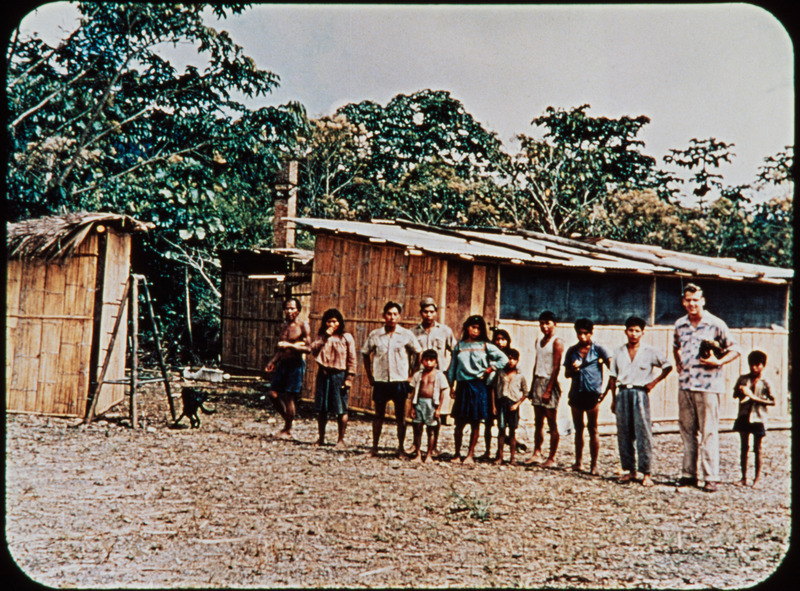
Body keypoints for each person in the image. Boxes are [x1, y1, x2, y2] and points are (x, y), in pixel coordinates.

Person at [673, 283, 740, 493]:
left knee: (708, 431)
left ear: (703, 301)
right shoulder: (680, 325)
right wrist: (679, 363)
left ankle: (711, 476)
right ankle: (688, 475)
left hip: (708, 385)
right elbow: (676, 346)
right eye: (688, 300)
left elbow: (736, 348)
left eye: (696, 300)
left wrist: (718, 362)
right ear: (683, 302)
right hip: (686, 383)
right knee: (687, 431)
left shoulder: (715, 324)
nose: (692, 304)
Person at [605, 316, 672, 487]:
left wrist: (654, 382)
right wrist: (613, 399)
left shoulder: (649, 351)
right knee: (624, 433)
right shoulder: (618, 351)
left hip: (640, 393)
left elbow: (667, 366)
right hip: (622, 393)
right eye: (630, 330)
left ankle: (646, 472)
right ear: (625, 331)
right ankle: (629, 470)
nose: (633, 334)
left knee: (643, 433)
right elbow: (612, 377)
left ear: (642, 332)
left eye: (637, 331)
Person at [362, 301, 422, 457]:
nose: (392, 317)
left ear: (399, 316)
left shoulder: (406, 335)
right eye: (389, 314)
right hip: (381, 381)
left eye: (395, 314)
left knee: (401, 416)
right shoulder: (375, 335)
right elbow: (365, 353)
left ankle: (400, 448)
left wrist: (411, 376)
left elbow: (418, 353)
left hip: (400, 381)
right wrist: (370, 375)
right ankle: (374, 447)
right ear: (384, 316)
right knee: (378, 415)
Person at [447, 315, 508, 464]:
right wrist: (451, 385)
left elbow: (503, 359)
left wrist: (489, 369)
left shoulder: (485, 346)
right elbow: (453, 367)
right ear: (467, 327)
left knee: (475, 421)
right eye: (473, 327)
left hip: (478, 386)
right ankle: (456, 453)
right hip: (462, 386)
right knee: (459, 423)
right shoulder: (459, 346)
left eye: (478, 328)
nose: (475, 331)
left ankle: (470, 454)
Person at [563, 318, 611, 475]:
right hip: (577, 392)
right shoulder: (572, 351)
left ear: (591, 333)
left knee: (593, 429)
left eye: (585, 334)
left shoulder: (598, 350)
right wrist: (572, 369)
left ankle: (594, 465)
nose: (582, 337)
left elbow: (614, 370)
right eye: (579, 333)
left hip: (592, 394)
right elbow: (566, 374)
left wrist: (606, 390)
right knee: (578, 429)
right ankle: (578, 463)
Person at [411, 296, 457, 457]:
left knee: (435, 414)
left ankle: (434, 445)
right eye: (425, 311)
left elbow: (455, 350)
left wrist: (449, 370)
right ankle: (414, 445)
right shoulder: (413, 332)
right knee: (417, 413)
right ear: (421, 312)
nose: (428, 315)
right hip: (421, 378)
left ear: (436, 312)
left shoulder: (445, 331)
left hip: (438, 377)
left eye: (431, 311)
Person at [309, 308, 357, 448]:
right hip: (323, 375)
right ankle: (321, 438)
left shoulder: (346, 337)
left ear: (339, 323)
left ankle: (340, 440)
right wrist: (324, 336)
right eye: (329, 321)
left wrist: (349, 377)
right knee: (322, 408)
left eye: (334, 321)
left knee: (341, 408)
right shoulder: (322, 336)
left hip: (339, 376)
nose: (331, 324)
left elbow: (352, 358)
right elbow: (313, 349)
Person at [264, 297, 311, 439]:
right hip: (283, 363)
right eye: (287, 308)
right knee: (273, 394)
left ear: (298, 311)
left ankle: (287, 429)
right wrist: (272, 361)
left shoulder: (303, 326)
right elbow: (280, 350)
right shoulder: (283, 326)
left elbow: (308, 348)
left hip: (295, 365)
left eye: (292, 308)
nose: (289, 311)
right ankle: (287, 418)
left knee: (289, 397)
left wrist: (290, 346)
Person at [525, 311, 564, 468]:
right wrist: (533, 384)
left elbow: (556, 367)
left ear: (555, 324)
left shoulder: (557, 342)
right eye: (542, 323)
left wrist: (549, 389)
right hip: (538, 381)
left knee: (551, 422)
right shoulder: (539, 341)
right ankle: (537, 453)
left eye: (548, 323)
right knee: (538, 421)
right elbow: (537, 362)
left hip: (550, 382)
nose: (544, 326)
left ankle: (552, 457)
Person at [732, 350, 774, 488]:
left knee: (758, 449)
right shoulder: (743, 379)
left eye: (757, 365)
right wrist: (740, 391)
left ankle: (757, 479)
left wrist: (755, 398)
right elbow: (735, 395)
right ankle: (743, 477)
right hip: (744, 416)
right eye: (752, 365)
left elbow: (773, 401)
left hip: (758, 418)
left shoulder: (766, 382)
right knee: (744, 447)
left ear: (763, 365)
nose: (754, 368)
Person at [409, 349, 451, 463]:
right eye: (426, 360)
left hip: (431, 404)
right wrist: (412, 407)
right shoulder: (418, 375)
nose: (428, 363)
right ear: (422, 361)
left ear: (436, 362)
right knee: (417, 429)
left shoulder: (439, 375)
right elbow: (413, 392)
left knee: (431, 430)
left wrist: (438, 408)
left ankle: (428, 454)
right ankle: (417, 454)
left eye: (431, 360)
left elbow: (443, 392)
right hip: (419, 403)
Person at [481, 328, 512, 461]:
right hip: (489, 391)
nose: (500, 342)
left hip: (504, 394)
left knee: (502, 424)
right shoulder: (491, 355)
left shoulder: (510, 356)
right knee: (488, 423)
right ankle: (487, 451)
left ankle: (500, 454)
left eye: (503, 339)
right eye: (497, 339)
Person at [493, 348, 528, 465]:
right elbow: (493, 389)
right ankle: (500, 456)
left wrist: (517, 404)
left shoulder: (520, 375)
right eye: (509, 358)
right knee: (501, 430)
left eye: (514, 359)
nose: (511, 361)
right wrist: (494, 406)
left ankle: (512, 458)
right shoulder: (500, 373)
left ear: (517, 361)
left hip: (513, 404)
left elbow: (526, 393)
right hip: (502, 403)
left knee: (512, 431)